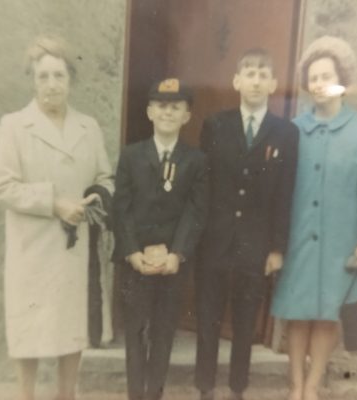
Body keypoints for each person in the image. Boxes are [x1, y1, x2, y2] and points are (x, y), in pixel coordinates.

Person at [0, 36, 113, 400]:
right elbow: (3, 186)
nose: (51, 85)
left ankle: (66, 394)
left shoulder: (88, 127)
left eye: (59, 75)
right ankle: (25, 394)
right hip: (32, 246)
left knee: (70, 327)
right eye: (43, 77)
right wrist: (54, 203)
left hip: (72, 247)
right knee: (28, 329)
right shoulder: (14, 126)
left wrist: (92, 201)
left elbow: (105, 178)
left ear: (70, 80)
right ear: (33, 81)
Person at [271, 36, 357, 400]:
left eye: (326, 76)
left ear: (342, 80)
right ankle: (295, 386)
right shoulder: (294, 128)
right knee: (297, 312)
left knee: (327, 314)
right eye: (313, 77)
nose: (319, 84)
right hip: (298, 236)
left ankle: (313, 386)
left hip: (342, 240)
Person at [195, 48, 299, 400]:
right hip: (215, 241)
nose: (255, 80)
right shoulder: (216, 124)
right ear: (236, 81)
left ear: (272, 84)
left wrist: (277, 248)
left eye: (262, 74)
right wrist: (199, 237)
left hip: (255, 246)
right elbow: (203, 185)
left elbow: (285, 195)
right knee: (208, 320)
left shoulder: (285, 133)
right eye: (249, 73)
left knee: (244, 324)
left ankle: (238, 388)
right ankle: (205, 387)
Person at [112, 78, 208, 400]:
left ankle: (155, 394)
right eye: (162, 106)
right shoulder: (131, 155)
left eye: (176, 107)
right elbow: (121, 208)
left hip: (171, 265)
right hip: (135, 263)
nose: (168, 113)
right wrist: (131, 252)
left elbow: (195, 211)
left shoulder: (195, 161)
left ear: (186, 116)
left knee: (164, 333)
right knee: (136, 333)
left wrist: (176, 254)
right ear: (150, 111)